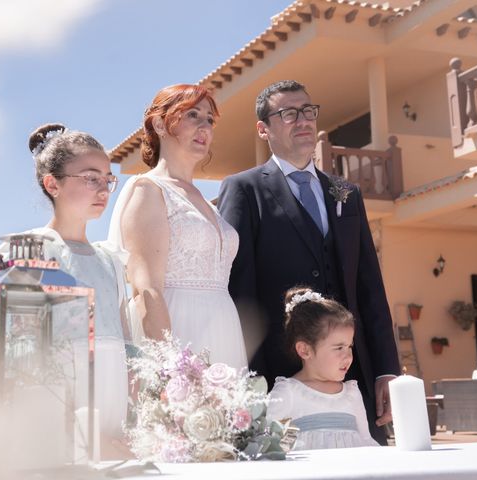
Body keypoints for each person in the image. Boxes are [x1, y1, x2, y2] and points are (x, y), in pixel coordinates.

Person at [217, 80, 399, 444]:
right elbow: (239, 289)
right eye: (288, 113)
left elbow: (370, 286)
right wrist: (253, 380)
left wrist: (386, 371)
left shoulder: (346, 193)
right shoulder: (245, 189)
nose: (302, 120)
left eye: (307, 111)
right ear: (263, 128)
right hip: (282, 375)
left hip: (354, 372)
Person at [0, 123, 130, 457]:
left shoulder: (110, 259)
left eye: (107, 179)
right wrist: (77, 430)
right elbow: (22, 353)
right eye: (90, 178)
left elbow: (124, 344)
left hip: (112, 406)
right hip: (60, 415)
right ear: (52, 183)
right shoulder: (33, 250)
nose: (103, 189)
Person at [108, 84, 247, 369]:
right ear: (160, 124)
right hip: (180, 332)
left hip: (223, 331)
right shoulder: (148, 189)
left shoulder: (208, 204)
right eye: (193, 115)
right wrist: (174, 367)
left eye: (209, 119)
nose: (204, 126)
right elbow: (146, 289)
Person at [266, 287, 379, 450]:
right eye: (339, 347)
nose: (348, 356)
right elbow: (274, 446)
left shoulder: (351, 393)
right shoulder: (289, 392)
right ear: (305, 350)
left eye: (349, 347)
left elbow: (366, 441)